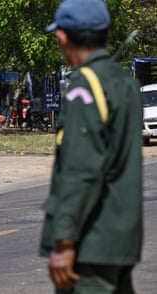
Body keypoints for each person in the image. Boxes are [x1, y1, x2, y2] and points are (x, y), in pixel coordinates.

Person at [39, 0, 143, 293]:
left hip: (90, 241)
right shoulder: (125, 83)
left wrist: (65, 240)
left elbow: (81, 170)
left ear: (63, 36)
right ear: (108, 33)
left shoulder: (85, 87)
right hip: (120, 239)